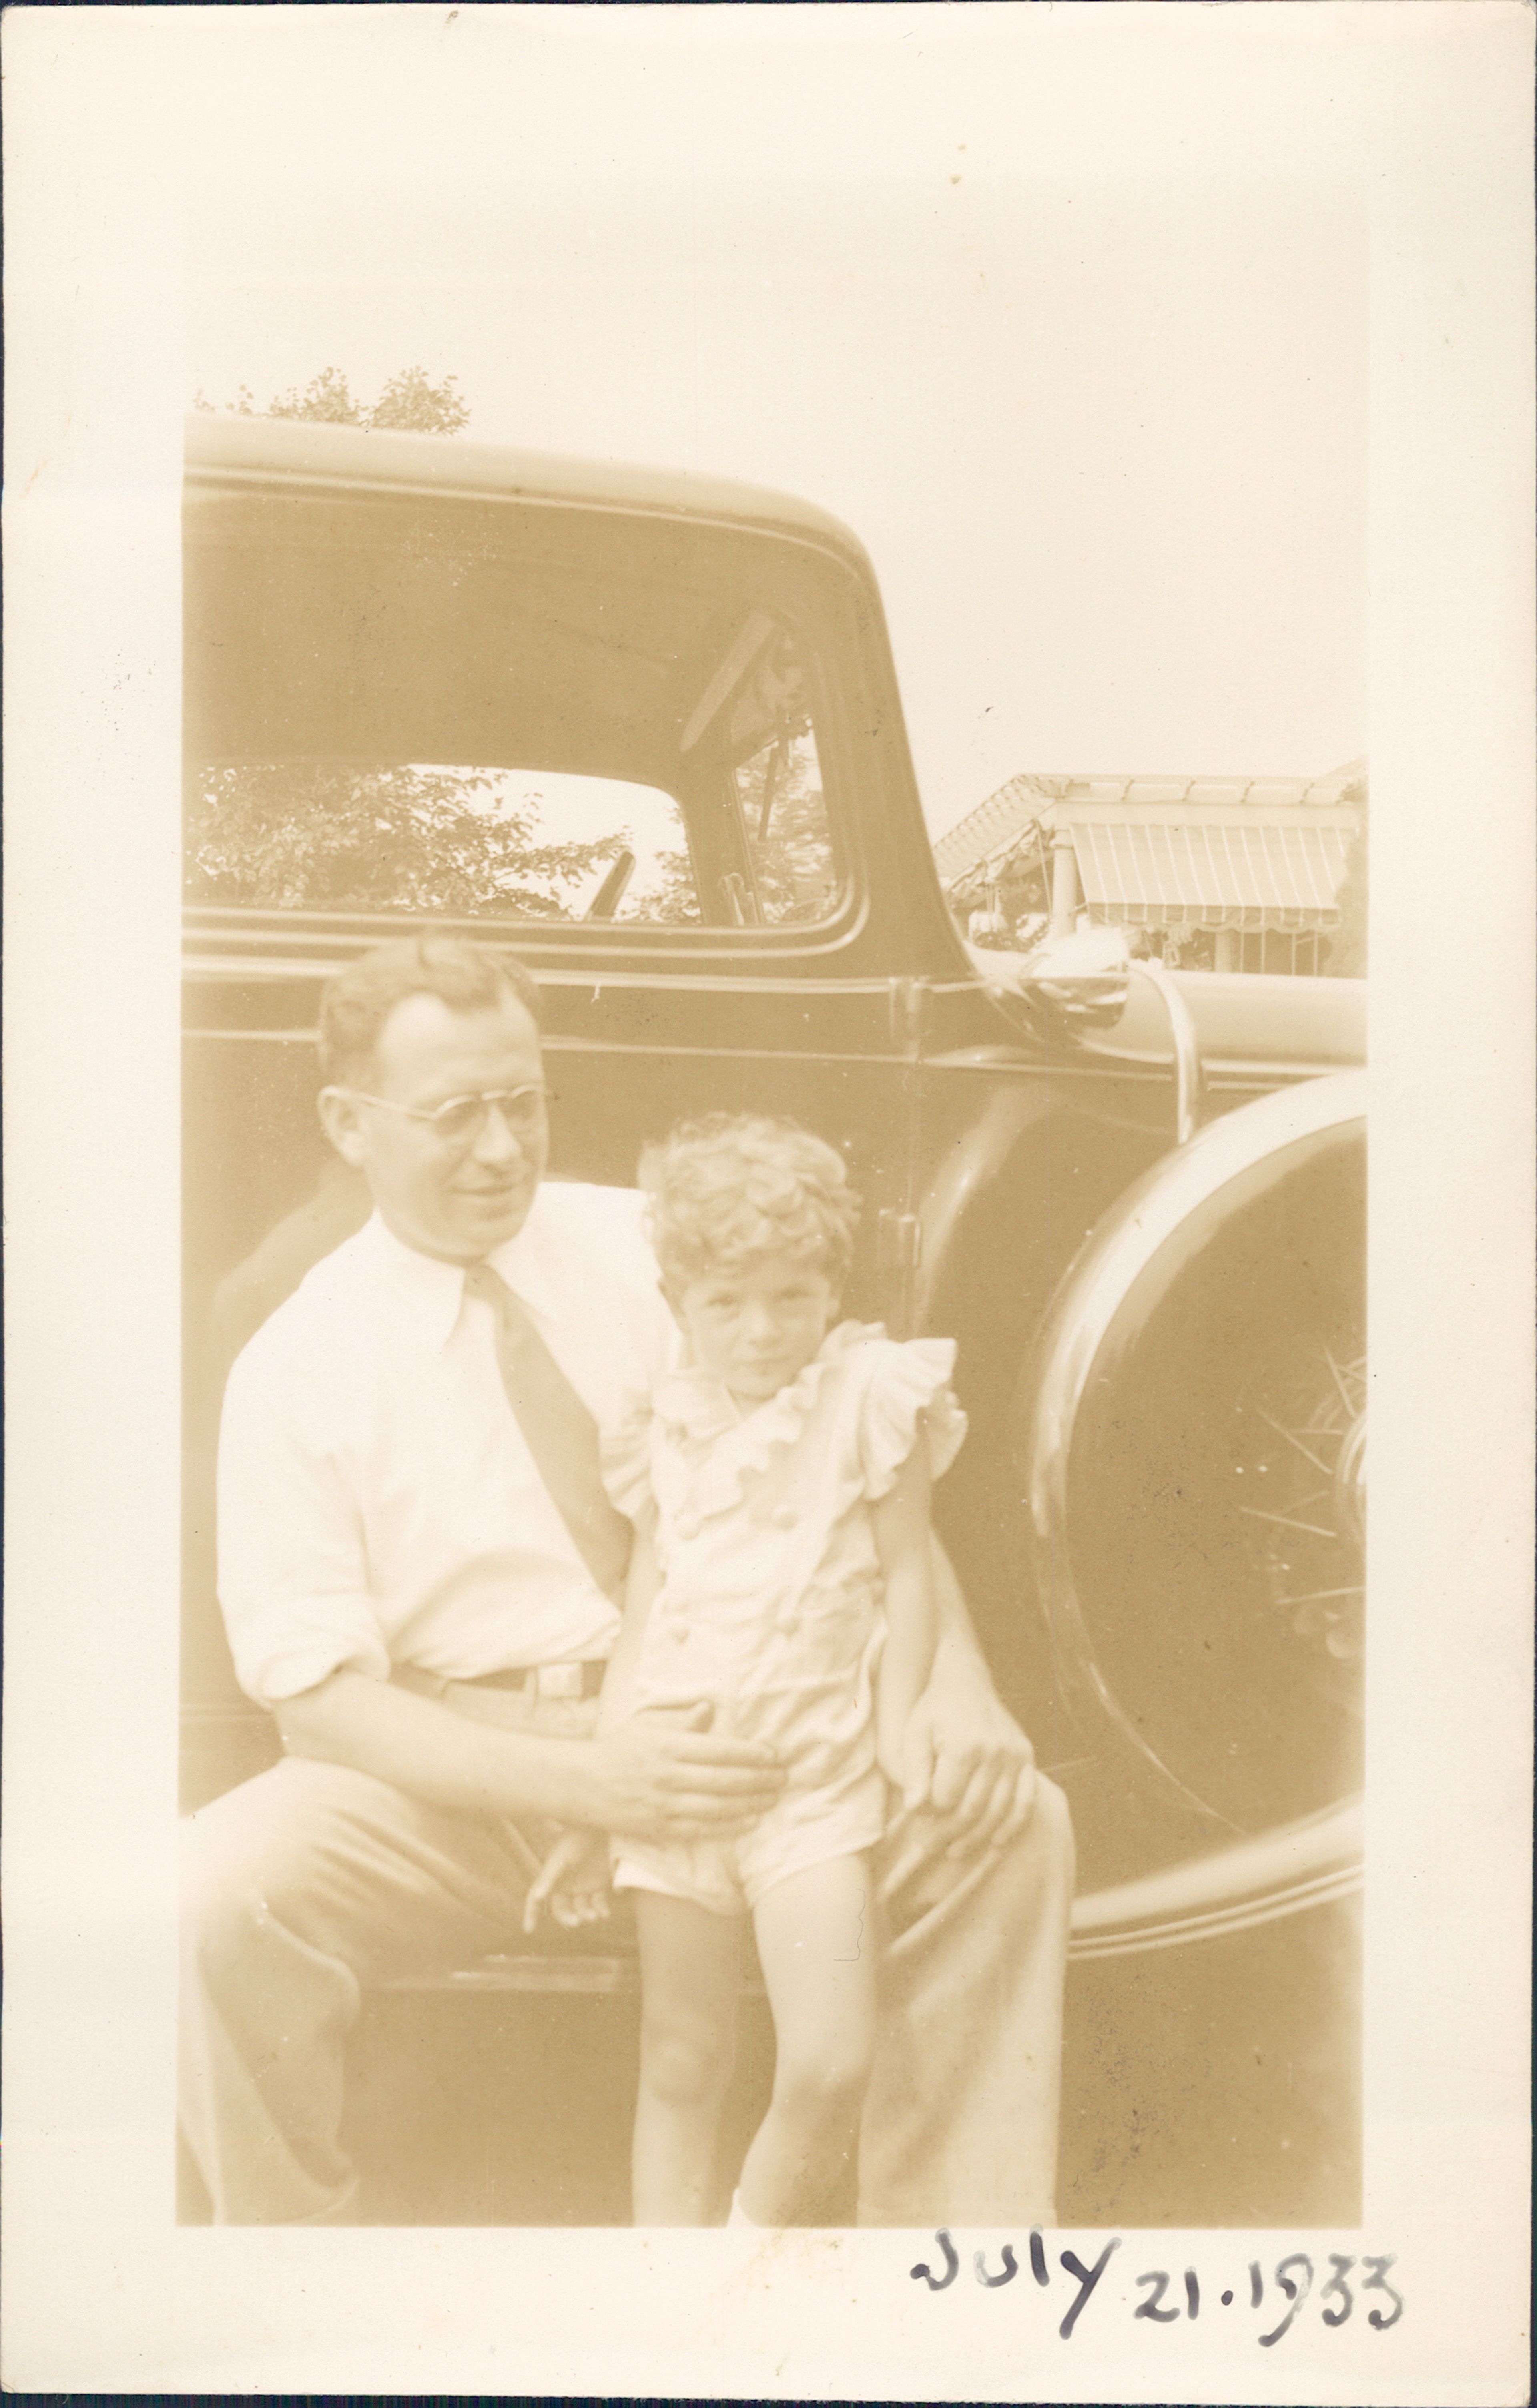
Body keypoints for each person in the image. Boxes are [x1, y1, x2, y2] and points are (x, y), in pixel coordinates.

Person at [180, 934, 1074, 2226]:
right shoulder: (296, 1357)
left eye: (524, 1101)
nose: (502, 1148)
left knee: (1008, 1820)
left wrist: (957, 1691)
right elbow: (315, 1704)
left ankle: (946, 2285)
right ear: (348, 1123)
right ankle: (290, 2298)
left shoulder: (658, 1249)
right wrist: (589, 1778)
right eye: (454, 1115)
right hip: (475, 1776)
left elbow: (842, 1469)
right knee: (203, 1903)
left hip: (770, 1719)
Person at [526, 1115, 963, 2225]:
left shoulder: (871, 1398)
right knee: (682, 2059)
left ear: (830, 1288)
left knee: (828, 2061)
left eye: (790, 1298)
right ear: (680, 1309)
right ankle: (670, 2293)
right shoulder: (665, 1425)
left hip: (812, 1788)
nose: (762, 1332)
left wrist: (905, 1716)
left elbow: (910, 1574)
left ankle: (744, 2253)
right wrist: (598, 1791)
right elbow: (646, 1616)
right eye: (727, 1304)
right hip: (674, 1787)